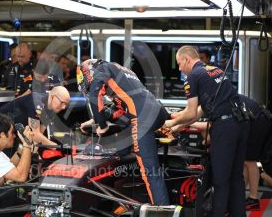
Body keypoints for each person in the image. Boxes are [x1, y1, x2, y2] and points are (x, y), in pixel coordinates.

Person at [164, 46, 250, 216]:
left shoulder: (192, 76)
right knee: (235, 177)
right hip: (241, 123)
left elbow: (190, 112)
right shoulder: (214, 69)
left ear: (187, 59)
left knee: (220, 179)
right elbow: (202, 109)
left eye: (180, 64)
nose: (180, 69)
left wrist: (166, 123)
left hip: (225, 127)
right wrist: (178, 124)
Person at [78, 59, 170, 205]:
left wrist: (101, 125)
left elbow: (95, 95)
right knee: (124, 139)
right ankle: (123, 155)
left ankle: (161, 212)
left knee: (150, 173)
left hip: (143, 118)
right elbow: (120, 111)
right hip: (158, 111)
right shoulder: (120, 70)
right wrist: (94, 120)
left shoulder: (103, 68)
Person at [0, 86, 70, 147]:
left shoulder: (52, 110)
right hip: (1, 125)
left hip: (16, 131)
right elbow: (35, 134)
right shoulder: (37, 101)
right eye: (62, 102)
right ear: (52, 96)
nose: (63, 107)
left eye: (66, 104)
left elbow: (39, 135)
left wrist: (34, 152)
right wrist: (56, 146)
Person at [240, 95, 272, 211]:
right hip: (258, 119)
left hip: (259, 120)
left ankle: (253, 199)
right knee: (245, 160)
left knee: (250, 161)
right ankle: (241, 195)